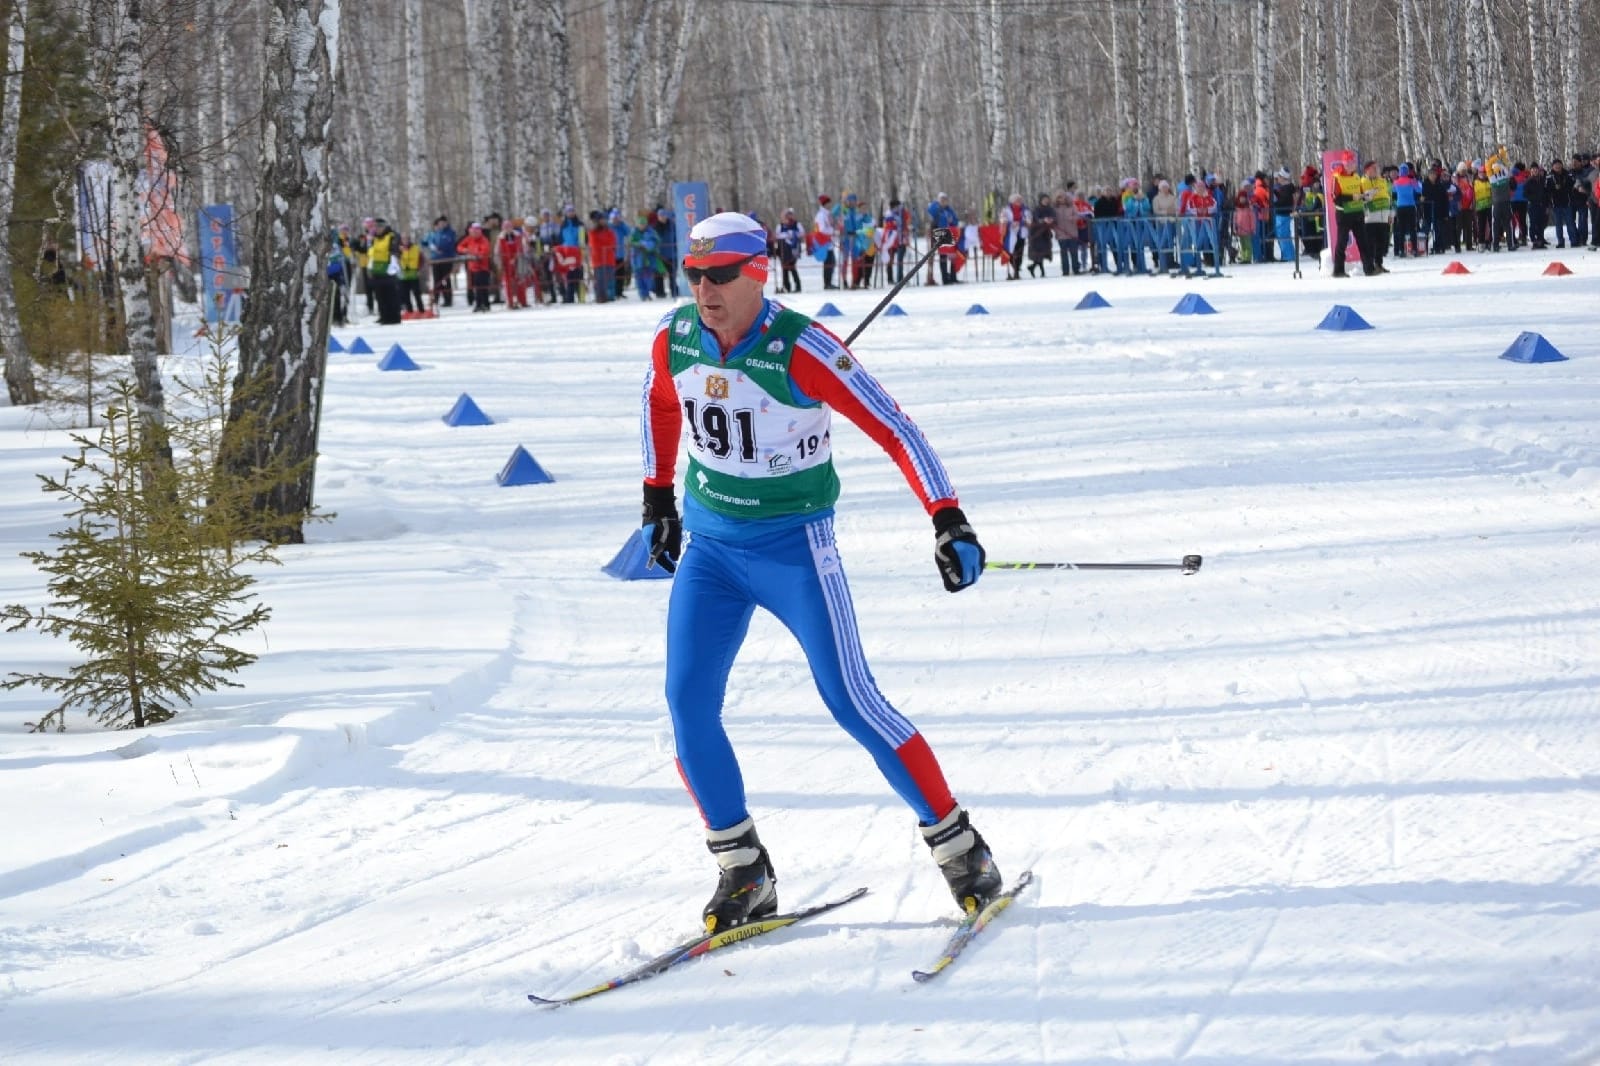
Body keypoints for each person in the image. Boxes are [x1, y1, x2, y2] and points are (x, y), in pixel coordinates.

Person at [638, 212, 1003, 932]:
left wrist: (947, 516)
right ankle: (743, 871)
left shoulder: (803, 350)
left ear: (757, 273)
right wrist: (657, 498)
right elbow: (656, 402)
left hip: (792, 548)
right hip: (711, 549)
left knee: (851, 700)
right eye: (694, 275)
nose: (704, 291)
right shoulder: (675, 338)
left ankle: (962, 852)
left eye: (720, 276)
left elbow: (894, 427)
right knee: (686, 706)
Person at [456, 221, 493, 312]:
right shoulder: (469, 239)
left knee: (482, 286)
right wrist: (465, 250)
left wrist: (476, 253)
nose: (474, 233)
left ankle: (485, 303)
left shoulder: (484, 240)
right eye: (473, 231)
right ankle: (479, 304)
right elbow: (459, 247)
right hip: (472, 267)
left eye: (477, 231)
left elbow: (485, 251)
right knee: (477, 287)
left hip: (482, 267)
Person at [425, 216, 457, 306]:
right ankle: (436, 298)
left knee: (446, 279)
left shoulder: (450, 232)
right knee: (437, 280)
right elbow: (428, 242)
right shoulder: (435, 233)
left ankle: (448, 299)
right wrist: (432, 246)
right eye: (440, 223)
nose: (441, 225)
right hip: (436, 259)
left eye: (443, 223)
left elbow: (448, 243)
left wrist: (440, 248)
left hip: (446, 259)